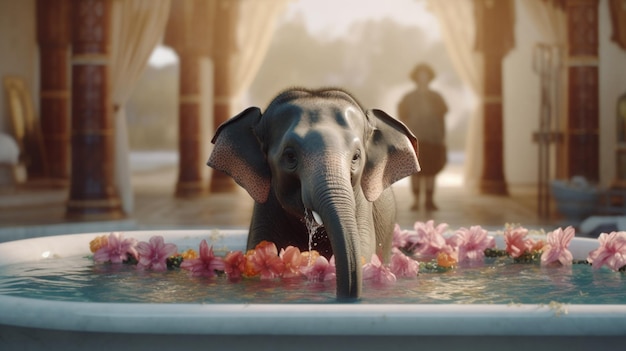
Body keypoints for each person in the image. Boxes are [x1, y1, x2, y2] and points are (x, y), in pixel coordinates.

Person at [398, 63, 448, 211]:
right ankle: (416, 200)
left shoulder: (436, 97)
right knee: (416, 171)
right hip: (415, 138)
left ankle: (429, 200)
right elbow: (403, 118)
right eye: (420, 74)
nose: (423, 78)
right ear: (416, 77)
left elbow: (441, 119)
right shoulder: (408, 98)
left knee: (431, 171)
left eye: (425, 74)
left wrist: (441, 137)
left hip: (433, 138)